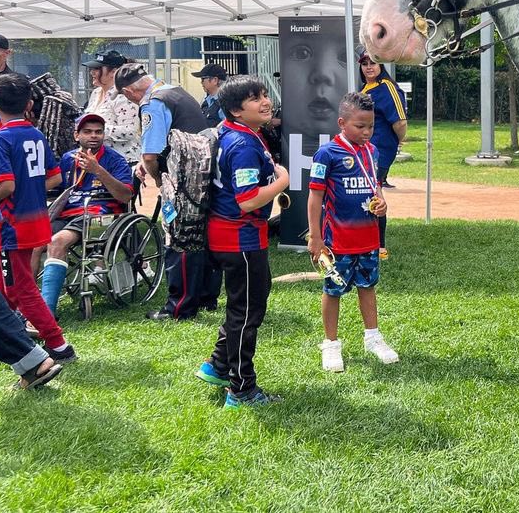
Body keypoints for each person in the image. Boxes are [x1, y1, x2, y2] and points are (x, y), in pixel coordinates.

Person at [194, 75, 289, 408]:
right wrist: (283, 181)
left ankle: (218, 366)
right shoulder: (243, 144)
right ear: (236, 110)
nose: (265, 102)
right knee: (246, 313)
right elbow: (248, 200)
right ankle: (242, 389)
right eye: (255, 98)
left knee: (243, 305)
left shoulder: (234, 132)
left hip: (232, 236)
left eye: (264, 94)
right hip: (239, 239)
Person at [0, 64, 63, 389]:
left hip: (11, 223)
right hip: (26, 217)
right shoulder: (35, 134)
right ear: (29, 104)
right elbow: (54, 177)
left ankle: (55, 344)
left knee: (20, 287)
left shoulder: (1, 137)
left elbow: (7, 185)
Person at [115, 63, 222, 320]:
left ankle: (179, 306)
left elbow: (150, 155)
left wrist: (159, 180)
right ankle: (206, 298)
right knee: (202, 238)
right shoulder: (176, 91)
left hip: (181, 179)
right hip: (203, 175)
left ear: (128, 92)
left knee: (179, 240)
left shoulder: (153, 103)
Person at [307, 92, 399, 372]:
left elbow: (375, 184)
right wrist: (315, 237)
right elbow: (315, 198)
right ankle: (331, 343)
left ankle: (373, 337)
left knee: (368, 286)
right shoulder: (327, 153)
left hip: (368, 237)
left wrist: (381, 201)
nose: (367, 132)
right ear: (342, 123)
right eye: (360, 126)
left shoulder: (372, 151)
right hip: (338, 240)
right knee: (333, 289)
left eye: (371, 126)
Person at [40, 113, 134, 317]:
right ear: (77, 135)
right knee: (33, 242)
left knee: (57, 241)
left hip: (99, 216)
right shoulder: (68, 159)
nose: (94, 136)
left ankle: (46, 310)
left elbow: (126, 196)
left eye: (98, 132)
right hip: (68, 213)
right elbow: (58, 188)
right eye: (88, 132)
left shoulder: (115, 160)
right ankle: (27, 303)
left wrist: (97, 170)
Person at [358, 47, 407, 259]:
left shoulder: (387, 87)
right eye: (364, 63)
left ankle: (380, 246)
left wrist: (396, 142)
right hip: (364, 151)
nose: (369, 67)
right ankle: (368, 242)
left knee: (375, 193)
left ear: (381, 64)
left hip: (379, 151)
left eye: (373, 62)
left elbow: (400, 121)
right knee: (367, 192)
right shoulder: (364, 88)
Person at [85, 50, 141, 165]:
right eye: (92, 69)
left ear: (114, 72)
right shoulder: (96, 93)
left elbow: (130, 131)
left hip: (123, 162)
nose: (92, 72)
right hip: (100, 160)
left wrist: (96, 130)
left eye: (97, 69)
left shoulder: (124, 96)